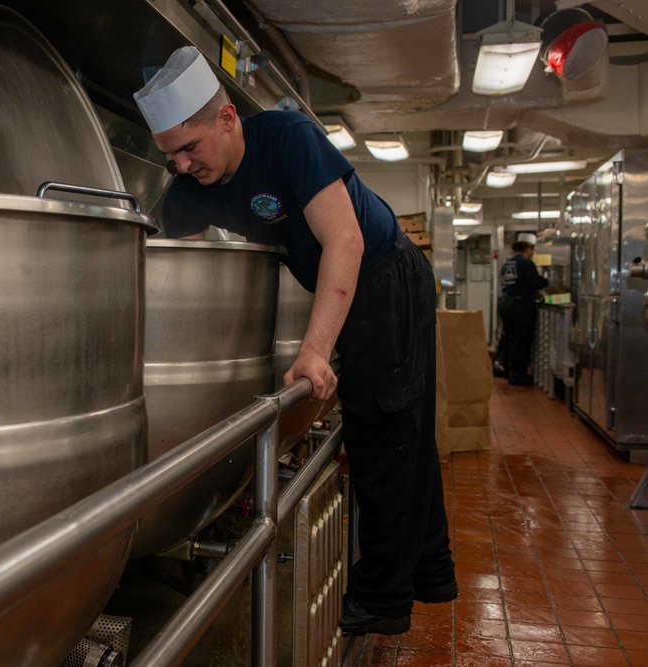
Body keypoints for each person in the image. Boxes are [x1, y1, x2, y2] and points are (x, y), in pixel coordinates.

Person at [133, 47, 456, 636]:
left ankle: (384, 601)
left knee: (385, 433)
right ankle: (430, 572)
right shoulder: (192, 189)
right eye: (170, 154)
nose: (180, 166)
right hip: (351, 287)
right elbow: (156, 256)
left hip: (387, 276)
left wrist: (313, 350)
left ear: (227, 119)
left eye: (189, 148)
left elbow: (346, 243)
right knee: (401, 429)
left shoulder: (288, 139)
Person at [498, 232, 549, 386]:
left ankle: (507, 370)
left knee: (510, 337)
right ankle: (517, 375)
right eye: (532, 249)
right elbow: (536, 282)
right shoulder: (525, 263)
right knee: (522, 339)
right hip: (520, 305)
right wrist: (547, 281)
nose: (532, 252)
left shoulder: (507, 263)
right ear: (528, 248)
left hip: (506, 303)